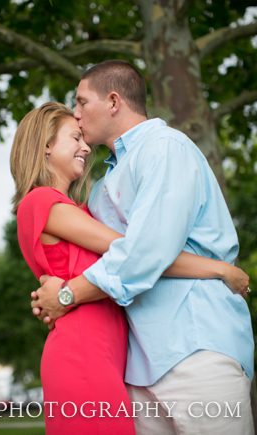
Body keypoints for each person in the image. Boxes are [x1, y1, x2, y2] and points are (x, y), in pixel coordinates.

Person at [30, 61, 254, 433]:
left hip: (194, 348)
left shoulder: (164, 148)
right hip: (136, 365)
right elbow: (120, 253)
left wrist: (68, 295)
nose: (76, 113)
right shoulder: (104, 185)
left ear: (114, 101)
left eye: (82, 102)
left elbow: (145, 252)